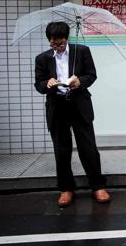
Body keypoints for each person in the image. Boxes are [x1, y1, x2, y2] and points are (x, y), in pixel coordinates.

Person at [34, 21, 110, 207]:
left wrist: (79, 81)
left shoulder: (81, 51)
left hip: (79, 104)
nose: (57, 47)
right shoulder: (42, 58)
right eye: (53, 44)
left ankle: (97, 186)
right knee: (61, 148)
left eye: (59, 43)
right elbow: (39, 84)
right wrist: (48, 83)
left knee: (88, 147)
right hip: (57, 106)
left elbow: (91, 75)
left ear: (66, 39)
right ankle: (66, 189)